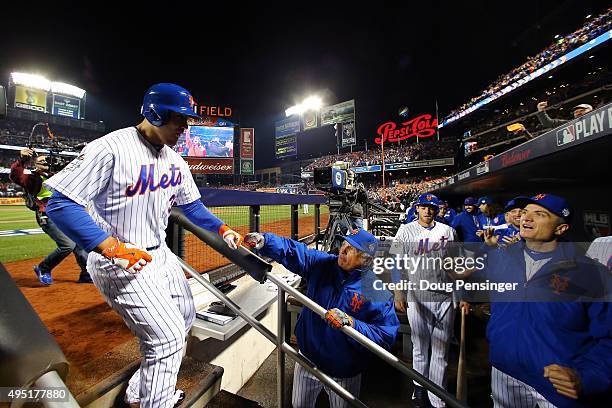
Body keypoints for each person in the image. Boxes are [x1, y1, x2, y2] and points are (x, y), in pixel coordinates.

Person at [44, 83, 244, 408]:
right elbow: (61, 204)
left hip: (158, 253)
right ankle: (156, 402)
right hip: (118, 260)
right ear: (155, 112)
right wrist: (109, 247)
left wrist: (221, 228)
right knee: (164, 337)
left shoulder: (175, 161)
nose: (185, 126)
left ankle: (139, 393)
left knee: (184, 315)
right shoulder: (109, 148)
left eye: (187, 119)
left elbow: (192, 208)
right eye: (179, 118)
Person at [466, 193, 612, 407]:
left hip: (555, 385)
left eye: (539, 214)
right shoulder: (501, 257)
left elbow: (608, 337)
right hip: (504, 372)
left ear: (560, 229)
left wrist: (587, 376)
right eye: (525, 212)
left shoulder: (589, 273)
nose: (527, 218)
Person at [245, 228, 399, 408]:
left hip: (343, 370)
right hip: (307, 358)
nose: (342, 251)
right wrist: (265, 241)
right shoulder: (324, 264)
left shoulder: (377, 290)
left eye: (352, 249)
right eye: (343, 245)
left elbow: (385, 335)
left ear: (366, 259)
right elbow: (294, 251)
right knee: (299, 404)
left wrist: (352, 324)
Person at [390, 193, 464, 408]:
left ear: (438, 209)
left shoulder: (448, 231)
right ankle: (419, 390)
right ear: (417, 209)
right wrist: (398, 292)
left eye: (432, 207)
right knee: (420, 348)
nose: (428, 210)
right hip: (417, 296)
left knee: (441, 352)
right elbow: (395, 261)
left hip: (444, 296)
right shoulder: (405, 230)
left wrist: (460, 294)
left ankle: (437, 398)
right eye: (424, 207)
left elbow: (456, 264)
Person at [9, 147, 90, 284]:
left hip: (64, 214)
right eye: (42, 161)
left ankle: (86, 274)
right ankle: (43, 268)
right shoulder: (31, 178)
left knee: (80, 243)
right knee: (67, 245)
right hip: (47, 214)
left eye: (47, 160)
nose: (46, 162)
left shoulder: (55, 176)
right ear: (35, 164)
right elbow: (15, 175)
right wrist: (22, 160)